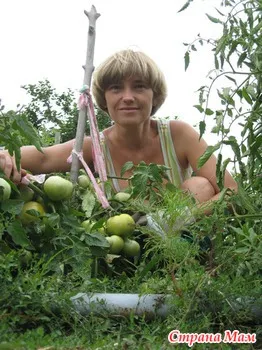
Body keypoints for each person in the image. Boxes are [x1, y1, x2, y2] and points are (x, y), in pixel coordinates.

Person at [0, 49, 237, 213]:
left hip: (183, 246)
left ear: (154, 95)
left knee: (200, 187)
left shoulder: (178, 135)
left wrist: (180, 220)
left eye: (139, 87)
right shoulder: (95, 147)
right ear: (104, 99)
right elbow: (44, 157)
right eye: (116, 88)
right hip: (123, 252)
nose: (128, 97)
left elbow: (232, 192)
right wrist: (5, 155)